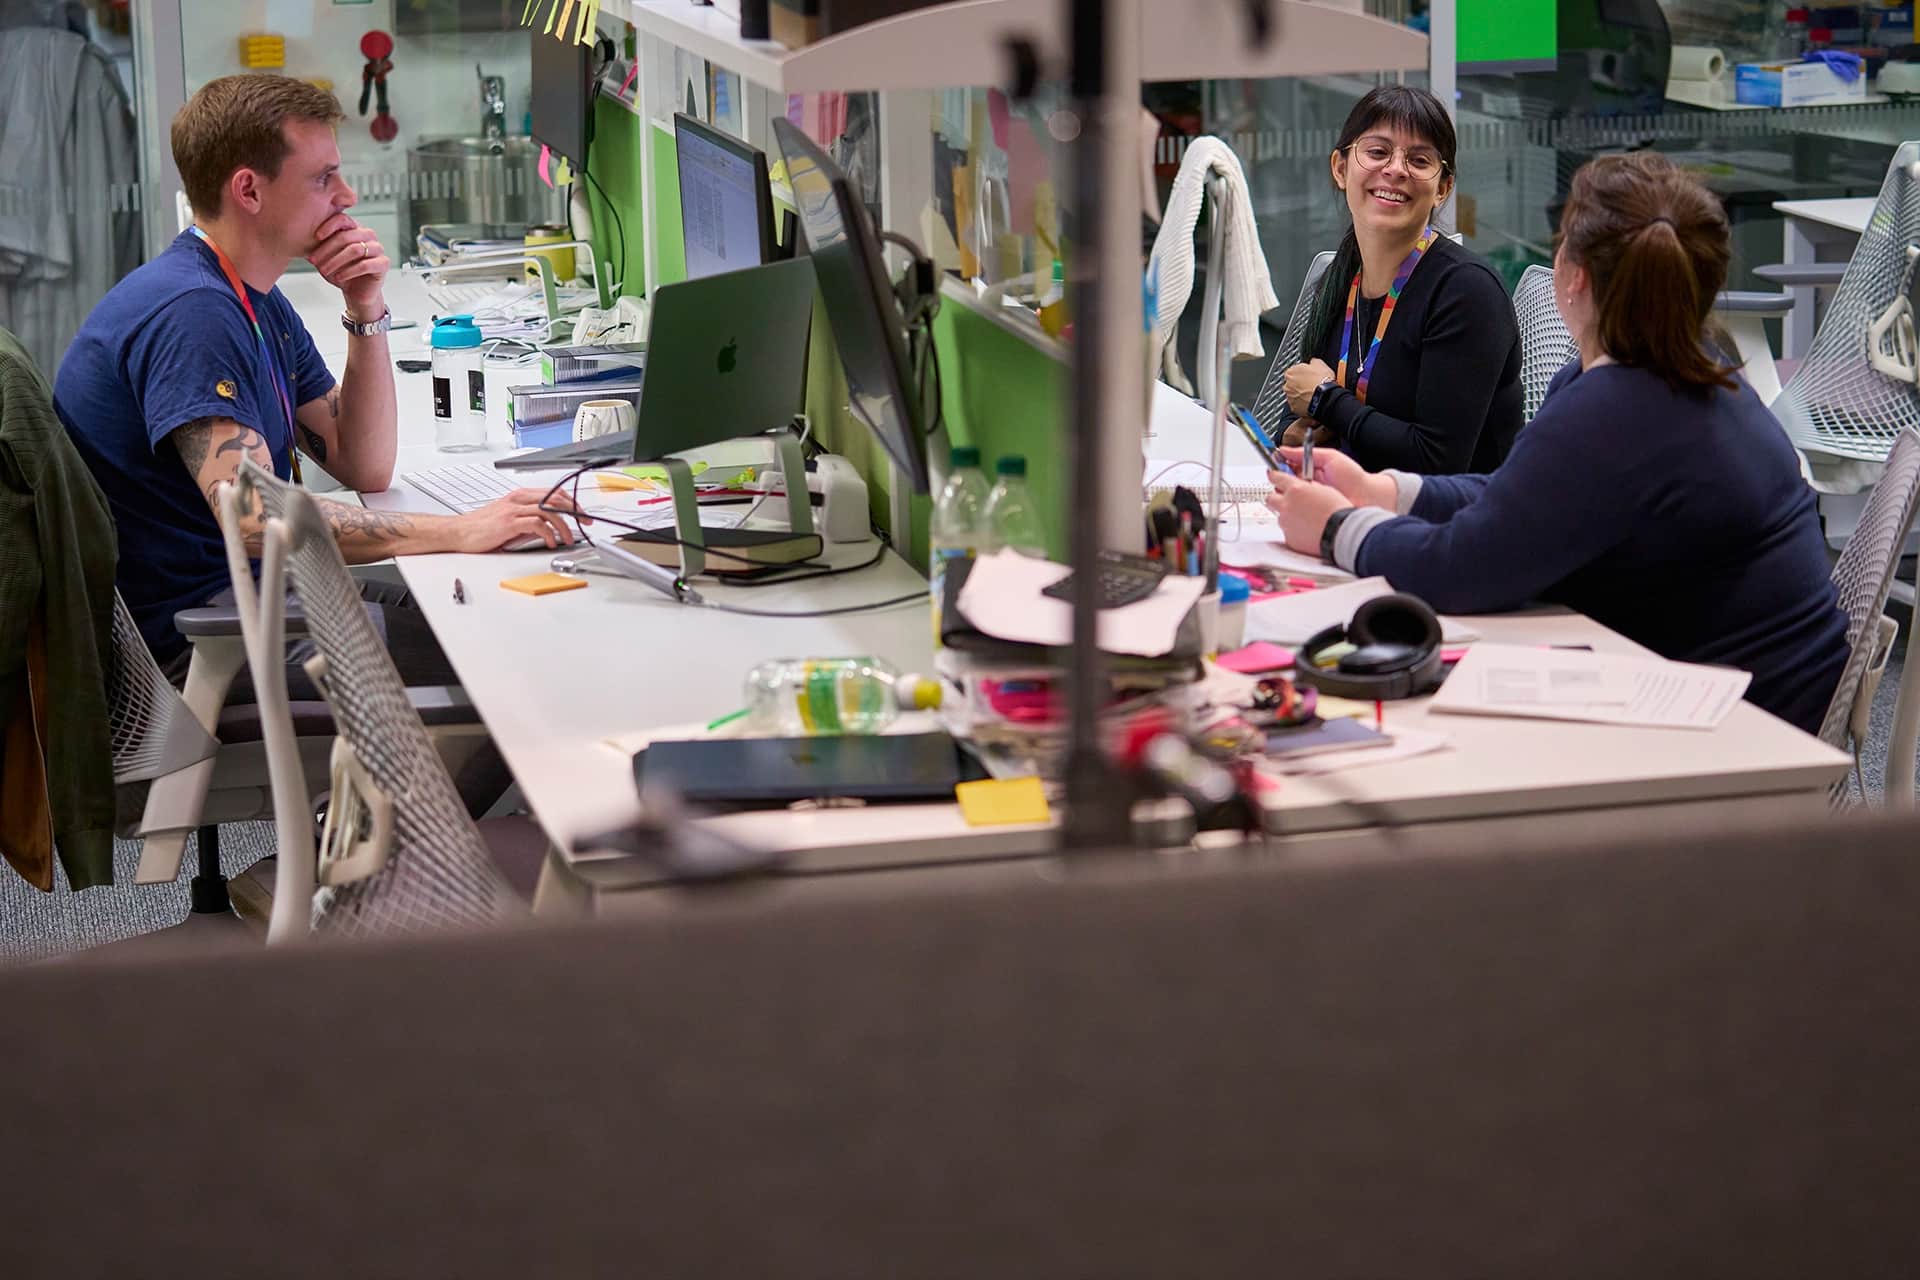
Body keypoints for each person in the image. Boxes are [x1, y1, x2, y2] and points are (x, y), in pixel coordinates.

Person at [1265, 151, 1848, 737]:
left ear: (1572, 275)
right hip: (1737, 697)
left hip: (1744, 742)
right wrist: (1386, 491)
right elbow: (1522, 496)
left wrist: (1339, 528)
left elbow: (1460, 571)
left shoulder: (1619, 406)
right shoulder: (1681, 369)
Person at [54, 74, 580, 693]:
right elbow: (253, 518)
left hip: (259, 600)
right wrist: (460, 528)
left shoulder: (251, 296)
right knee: (512, 666)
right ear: (248, 190)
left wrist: (365, 307)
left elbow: (365, 465)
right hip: (202, 647)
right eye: (323, 177)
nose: (347, 194)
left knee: (499, 611)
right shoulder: (193, 314)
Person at [1276, 85, 1521, 475]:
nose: (1395, 169)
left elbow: (1436, 462)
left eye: (1419, 160)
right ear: (1340, 169)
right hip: (1355, 508)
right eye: (1377, 152)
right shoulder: (1338, 280)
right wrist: (1294, 438)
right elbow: (1302, 411)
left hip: (1447, 526)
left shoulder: (1467, 294)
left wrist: (1327, 400)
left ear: (1443, 188)